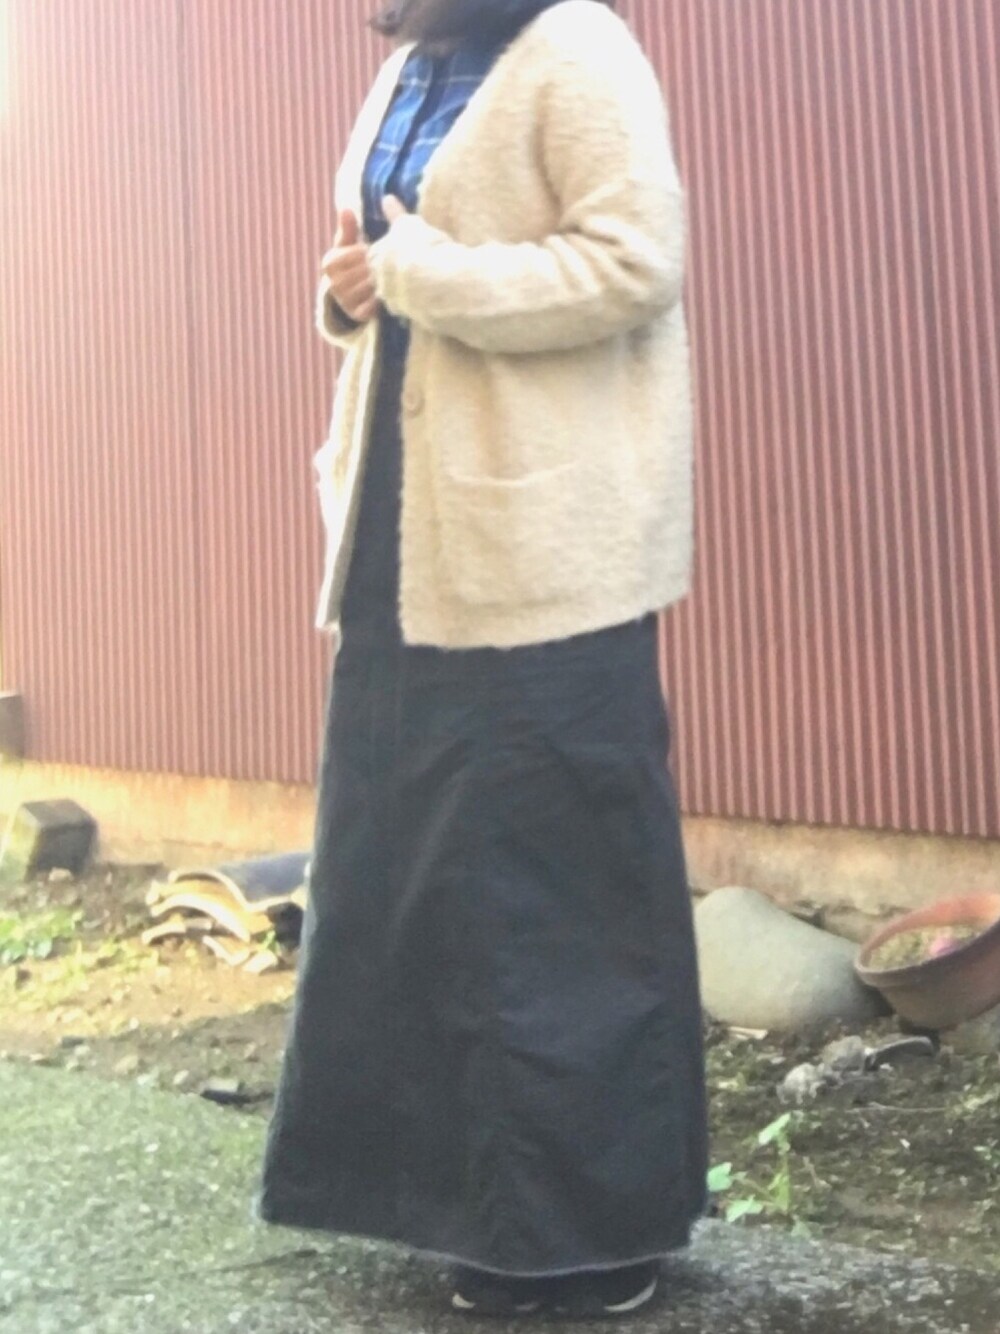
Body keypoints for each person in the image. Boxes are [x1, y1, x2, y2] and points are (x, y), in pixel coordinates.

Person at [258, 0, 707, 1318]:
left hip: (545, 546)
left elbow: (634, 263)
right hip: (404, 540)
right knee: (409, 877)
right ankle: (450, 1203)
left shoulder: (578, 49)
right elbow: (381, 261)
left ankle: (592, 1236)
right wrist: (354, 293)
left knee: (552, 886)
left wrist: (422, 277)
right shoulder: (411, 65)